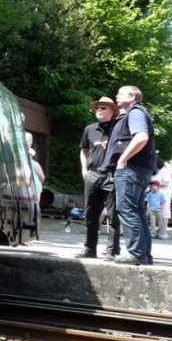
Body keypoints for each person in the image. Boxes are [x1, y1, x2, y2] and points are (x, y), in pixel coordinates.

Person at [101, 85, 157, 265]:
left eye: (120, 94)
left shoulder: (135, 112)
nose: (116, 96)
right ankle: (144, 255)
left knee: (127, 209)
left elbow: (141, 137)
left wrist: (122, 159)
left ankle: (136, 253)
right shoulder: (135, 113)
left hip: (130, 170)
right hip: (139, 170)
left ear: (132, 96)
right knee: (138, 212)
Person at [75, 96, 121, 259]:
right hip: (93, 175)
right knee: (90, 214)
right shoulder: (89, 129)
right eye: (98, 108)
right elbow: (84, 150)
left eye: (103, 108)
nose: (99, 111)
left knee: (113, 215)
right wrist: (84, 170)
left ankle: (112, 250)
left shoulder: (118, 128)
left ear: (112, 111)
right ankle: (89, 248)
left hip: (112, 175)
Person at [150, 157, 172, 239]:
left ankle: (163, 232)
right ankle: (155, 231)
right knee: (153, 214)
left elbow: (166, 183)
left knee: (164, 214)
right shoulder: (155, 171)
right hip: (154, 196)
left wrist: (154, 184)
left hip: (164, 195)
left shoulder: (165, 170)